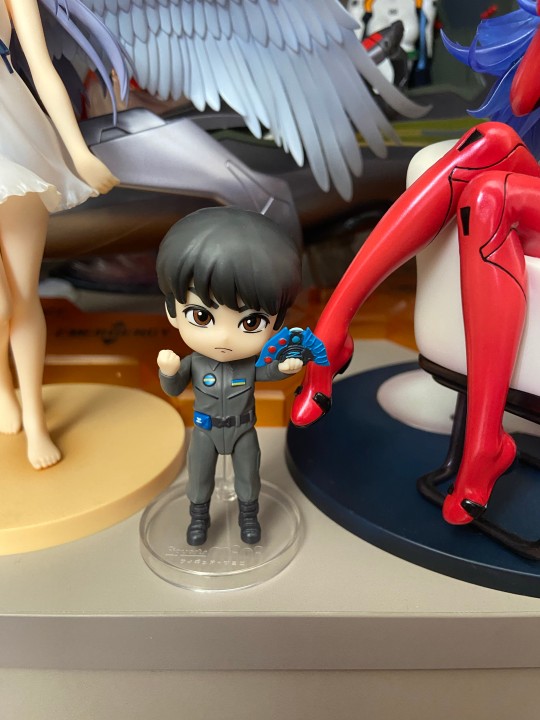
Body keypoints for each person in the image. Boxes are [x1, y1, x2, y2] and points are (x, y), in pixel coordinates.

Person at [0, 0, 126, 468]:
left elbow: (41, 68)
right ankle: (2, 387)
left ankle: (36, 419)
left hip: (14, 135)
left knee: (22, 294)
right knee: (0, 306)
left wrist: (78, 151)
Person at [156, 207, 303, 545]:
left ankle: (248, 517)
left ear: (278, 321)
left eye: (250, 322)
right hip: (205, 432)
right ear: (172, 310)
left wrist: (284, 368)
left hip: (242, 430)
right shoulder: (194, 363)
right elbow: (175, 388)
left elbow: (266, 372)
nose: (224, 337)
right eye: (201, 316)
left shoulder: (247, 365)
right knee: (199, 479)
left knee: (249, 478)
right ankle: (199, 518)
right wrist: (169, 371)